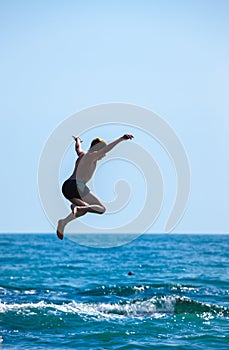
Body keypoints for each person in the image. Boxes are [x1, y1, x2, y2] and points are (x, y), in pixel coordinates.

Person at [57, 134, 134, 239]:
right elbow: (106, 149)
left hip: (67, 187)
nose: (104, 155)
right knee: (101, 209)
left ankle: (64, 222)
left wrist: (77, 140)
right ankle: (77, 208)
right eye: (102, 152)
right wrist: (121, 139)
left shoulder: (82, 155)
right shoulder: (91, 156)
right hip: (77, 185)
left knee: (83, 210)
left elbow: (78, 149)